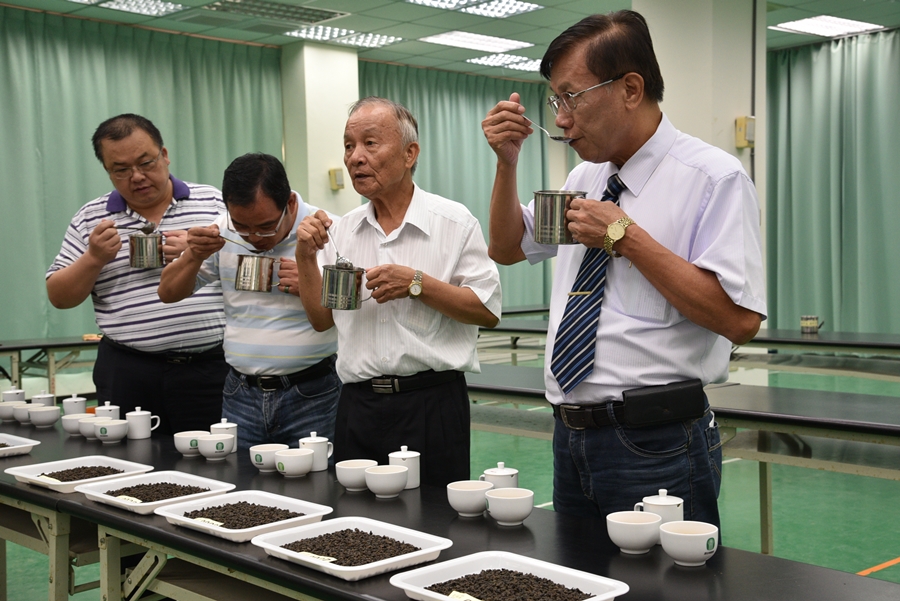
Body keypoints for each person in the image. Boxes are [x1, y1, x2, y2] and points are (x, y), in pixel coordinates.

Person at [481, 11, 766, 526]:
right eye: (555, 101)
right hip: (571, 435)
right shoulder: (584, 178)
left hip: (656, 440)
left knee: (662, 586)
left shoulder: (713, 178)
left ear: (630, 88)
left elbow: (740, 320)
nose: (561, 118)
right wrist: (506, 164)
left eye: (573, 97)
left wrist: (626, 236)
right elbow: (507, 247)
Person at [295, 97, 502, 487]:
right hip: (358, 405)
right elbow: (322, 320)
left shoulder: (453, 222)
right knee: (356, 530)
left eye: (370, 144)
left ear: (410, 153)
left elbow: (486, 310)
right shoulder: (341, 231)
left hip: (431, 403)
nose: (355, 157)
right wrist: (305, 257)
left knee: (438, 525)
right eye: (348, 145)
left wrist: (416, 284)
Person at [46, 114, 228, 435]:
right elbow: (59, 297)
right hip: (127, 371)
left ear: (165, 155)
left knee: (216, 464)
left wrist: (198, 249)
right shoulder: (91, 218)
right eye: (121, 169)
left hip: (210, 368)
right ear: (107, 170)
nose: (138, 176)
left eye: (146, 162)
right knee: (129, 464)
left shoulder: (213, 202)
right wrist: (94, 258)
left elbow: (255, 262)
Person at [158, 153, 341, 451]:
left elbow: (345, 315)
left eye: (266, 227)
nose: (254, 237)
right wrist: (194, 254)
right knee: (240, 487)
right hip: (240, 393)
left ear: (290, 204)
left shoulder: (328, 233)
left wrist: (313, 281)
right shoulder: (224, 229)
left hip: (312, 391)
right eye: (243, 226)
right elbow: (167, 293)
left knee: (315, 488)